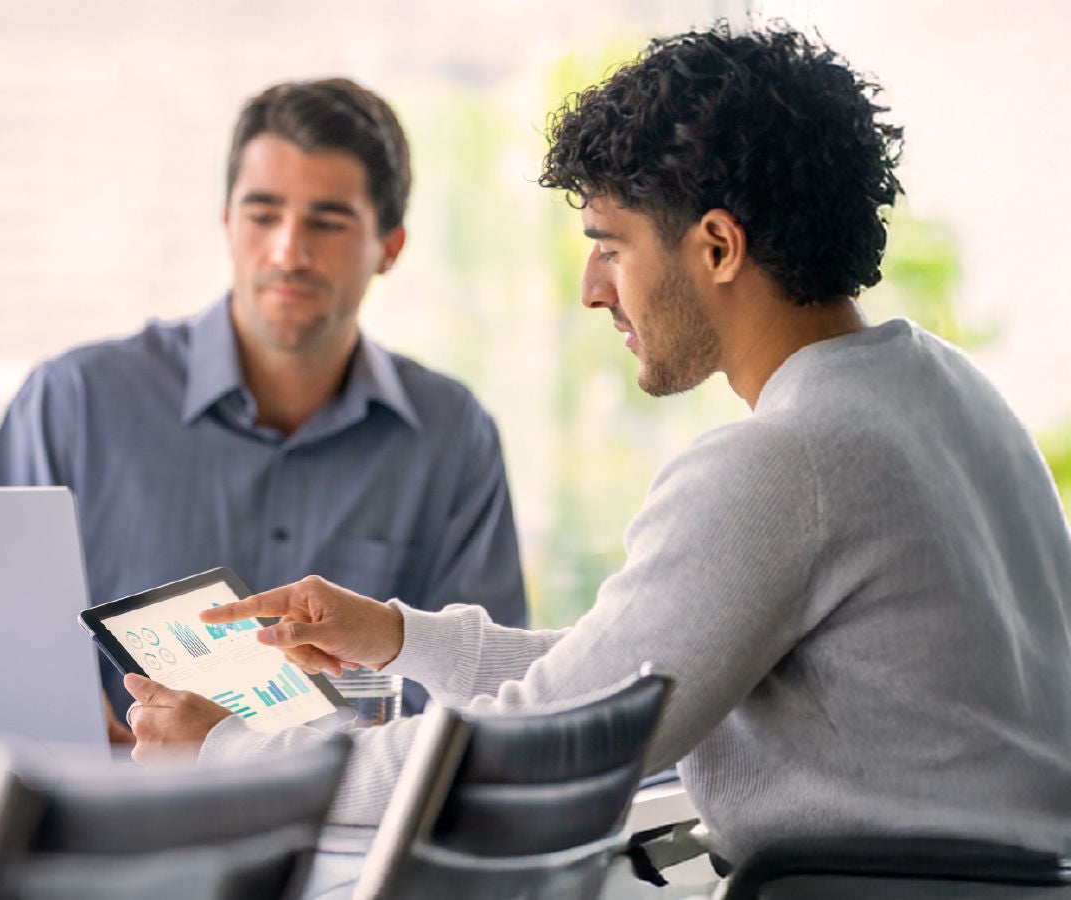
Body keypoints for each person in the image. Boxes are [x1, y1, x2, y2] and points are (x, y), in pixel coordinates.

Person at [122, 24, 1071, 864]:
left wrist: (231, 754)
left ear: (716, 247)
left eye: (610, 246)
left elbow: (543, 751)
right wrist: (404, 639)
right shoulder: (944, 396)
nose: (590, 288)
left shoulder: (786, 464)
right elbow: (634, 663)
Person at [0, 78, 527, 734]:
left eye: (326, 222)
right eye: (263, 214)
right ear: (226, 222)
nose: (287, 252)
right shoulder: (72, 403)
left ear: (390, 246)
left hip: (356, 823)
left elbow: (489, 701)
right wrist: (56, 711)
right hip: (113, 813)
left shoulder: (451, 436)